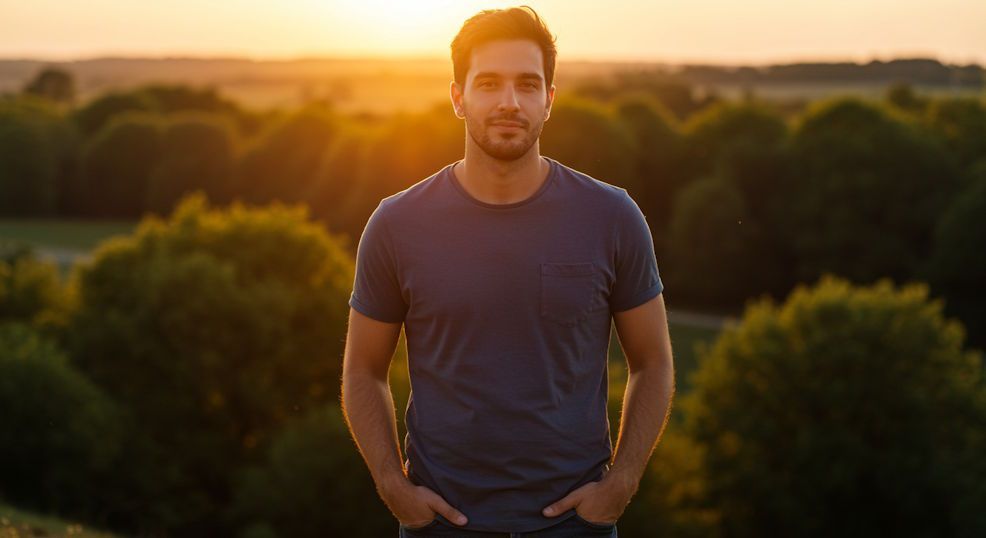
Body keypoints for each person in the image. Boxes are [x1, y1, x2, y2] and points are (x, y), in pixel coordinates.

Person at [341, 6, 675, 537]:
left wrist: (622, 484)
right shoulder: (397, 224)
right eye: (489, 83)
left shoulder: (611, 217)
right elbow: (362, 369)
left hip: (576, 527)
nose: (509, 102)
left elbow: (653, 362)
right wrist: (392, 485)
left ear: (550, 99)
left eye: (527, 84)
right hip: (441, 526)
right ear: (458, 97)